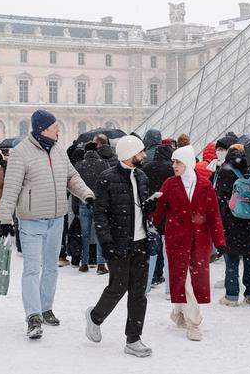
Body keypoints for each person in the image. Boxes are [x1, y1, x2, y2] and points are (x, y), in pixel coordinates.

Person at [0, 109, 95, 339]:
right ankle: (33, 316)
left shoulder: (60, 151)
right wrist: (4, 218)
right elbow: (11, 187)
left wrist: (87, 195)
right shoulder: (21, 153)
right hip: (31, 220)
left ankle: (45, 308)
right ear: (42, 129)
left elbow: (72, 178)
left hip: (56, 218)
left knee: (51, 267)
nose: (58, 129)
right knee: (32, 268)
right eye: (54, 127)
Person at [85, 135, 154, 357]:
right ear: (128, 155)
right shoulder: (107, 178)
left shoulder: (142, 176)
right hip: (118, 243)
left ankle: (133, 339)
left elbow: (141, 208)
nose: (144, 155)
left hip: (141, 241)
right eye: (140, 152)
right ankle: (95, 317)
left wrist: (151, 206)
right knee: (118, 287)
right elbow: (100, 213)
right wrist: (106, 242)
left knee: (138, 292)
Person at [152, 145, 225, 341]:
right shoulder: (169, 184)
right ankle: (194, 323)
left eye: (178, 162)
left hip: (199, 240)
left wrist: (220, 241)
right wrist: (150, 212)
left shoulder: (204, 186)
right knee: (185, 280)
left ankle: (179, 312)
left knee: (189, 280)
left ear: (188, 163)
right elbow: (158, 212)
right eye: (173, 161)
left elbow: (213, 215)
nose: (174, 165)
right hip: (176, 239)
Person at [214, 144, 250, 306]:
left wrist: (222, 218)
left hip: (231, 221)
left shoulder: (225, 172)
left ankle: (232, 295)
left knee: (232, 258)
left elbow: (219, 198)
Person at [74, 142, 111, 274]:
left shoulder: (79, 165)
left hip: (83, 202)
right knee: (100, 233)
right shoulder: (104, 164)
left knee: (84, 235)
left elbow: (75, 187)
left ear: (85, 152)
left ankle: (84, 263)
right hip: (99, 203)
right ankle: (101, 264)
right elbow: (108, 185)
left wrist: (75, 205)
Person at [142, 141, 175, 286]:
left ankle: (153, 275)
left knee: (153, 245)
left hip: (152, 208)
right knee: (165, 243)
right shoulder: (170, 168)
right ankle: (162, 275)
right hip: (167, 208)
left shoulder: (147, 167)